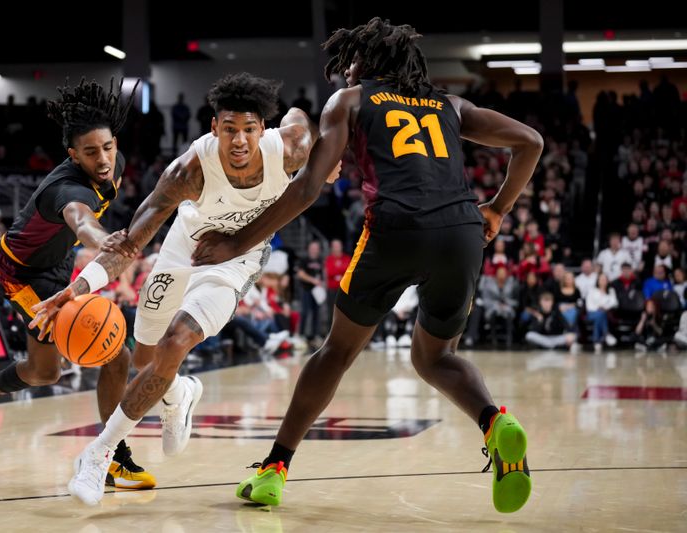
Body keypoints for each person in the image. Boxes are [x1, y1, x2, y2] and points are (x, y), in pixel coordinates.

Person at [191, 17, 541, 513]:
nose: (346, 70)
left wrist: (237, 241)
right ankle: (495, 422)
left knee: (335, 352)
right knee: (435, 358)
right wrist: (499, 209)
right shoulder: (451, 105)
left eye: (352, 61)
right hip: (462, 233)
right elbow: (531, 141)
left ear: (366, 64)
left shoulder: (351, 101)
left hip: (395, 229)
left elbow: (309, 187)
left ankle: (274, 469)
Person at [30, 73, 336, 506]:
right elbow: (130, 245)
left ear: (263, 130)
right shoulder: (187, 172)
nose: (239, 141)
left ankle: (97, 455)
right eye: (229, 129)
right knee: (147, 359)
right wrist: (77, 289)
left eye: (249, 129)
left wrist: (327, 157)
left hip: (235, 262)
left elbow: (302, 118)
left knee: (178, 341)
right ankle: (179, 394)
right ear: (214, 128)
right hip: (184, 248)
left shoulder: (288, 149)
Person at [0, 78, 156, 491]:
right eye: (91, 152)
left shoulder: (114, 163)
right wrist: (102, 240)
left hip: (57, 264)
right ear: (72, 154)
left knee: (85, 363)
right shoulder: (64, 189)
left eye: (108, 147)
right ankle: (112, 457)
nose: (103, 159)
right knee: (63, 368)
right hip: (19, 272)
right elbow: (81, 218)